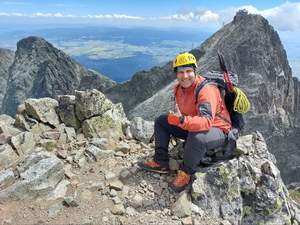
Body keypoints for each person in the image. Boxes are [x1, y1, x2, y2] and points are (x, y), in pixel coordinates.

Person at [138, 52, 232, 192]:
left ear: (195, 71)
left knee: (197, 136)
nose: (185, 76)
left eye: (189, 71)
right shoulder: (178, 89)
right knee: (161, 121)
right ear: (176, 74)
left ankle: (186, 173)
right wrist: (178, 119)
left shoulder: (206, 90)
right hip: (193, 124)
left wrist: (182, 120)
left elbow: (206, 122)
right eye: (181, 72)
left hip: (218, 129)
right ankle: (160, 161)